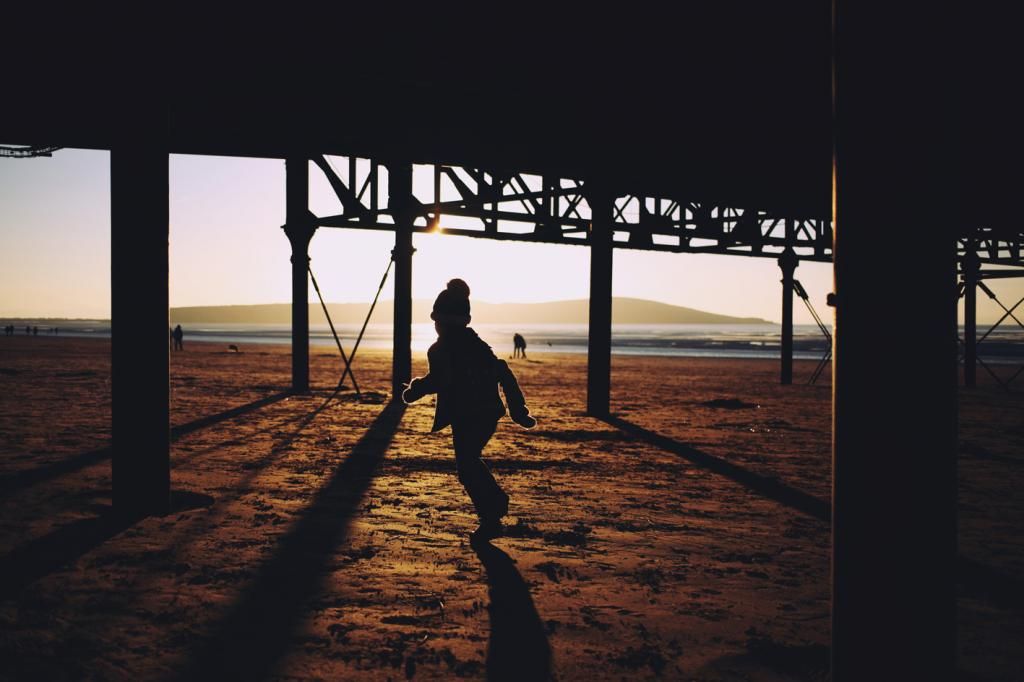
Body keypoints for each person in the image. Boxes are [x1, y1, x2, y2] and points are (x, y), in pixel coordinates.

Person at [402, 278, 537, 540]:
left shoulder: (440, 349)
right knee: (469, 461)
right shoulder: (479, 346)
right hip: (487, 413)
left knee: (466, 465)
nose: (436, 326)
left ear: (441, 321)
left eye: (436, 321)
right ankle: (494, 509)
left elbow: (441, 380)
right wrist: (517, 410)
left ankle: (493, 512)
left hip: (466, 414)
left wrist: (415, 389)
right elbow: (503, 372)